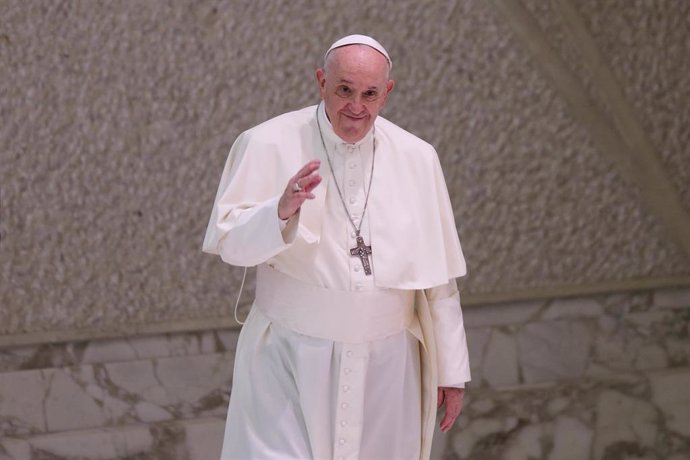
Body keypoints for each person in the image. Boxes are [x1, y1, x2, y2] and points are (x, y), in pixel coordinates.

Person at [203, 34, 470, 460]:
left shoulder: (418, 158)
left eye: (369, 94)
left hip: (387, 368)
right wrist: (280, 211)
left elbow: (439, 280)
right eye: (344, 90)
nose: (356, 107)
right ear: (321, 82)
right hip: (288, 359)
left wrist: (452, 372)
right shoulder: (266, 143)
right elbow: (231, 244)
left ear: (388, 92)